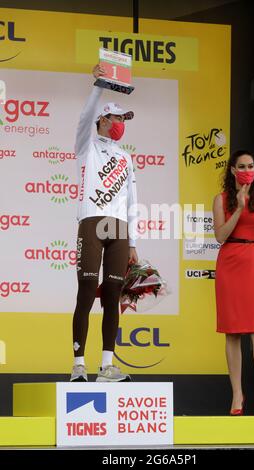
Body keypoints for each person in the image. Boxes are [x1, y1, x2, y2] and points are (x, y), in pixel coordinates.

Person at [70, 64, 138, 382]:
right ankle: (78, 364)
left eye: (125, 119)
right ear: (103, 119)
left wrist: (134, 241)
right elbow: (85, 119)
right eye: (117, 117)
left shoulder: (125, 157)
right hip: (92, 221)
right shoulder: (87, 146)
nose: (121, 124)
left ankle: (107, 365)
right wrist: (98, 86)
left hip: (119, 227)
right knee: (86, 290)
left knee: (113, 293)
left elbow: (132, 200)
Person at [213, 150, 254, 415]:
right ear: (232, 170)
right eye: (242, 166)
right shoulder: (221, 199)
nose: (248, 169)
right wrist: (238, 208)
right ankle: (237, 396)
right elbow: (220, 235)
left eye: (251, 165)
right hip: (230, 262)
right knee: (233, 332)